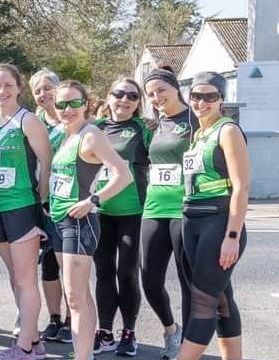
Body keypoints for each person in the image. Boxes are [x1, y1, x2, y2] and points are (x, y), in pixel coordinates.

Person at [48, 80, 132, 359]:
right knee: (79, 294)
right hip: (59, 220)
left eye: (74, 103)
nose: (67, 109)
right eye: (61, 104)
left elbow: (123, 175)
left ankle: (83, 355)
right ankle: (85, 352)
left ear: (86, 104)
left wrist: (93, 200)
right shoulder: (64, 134)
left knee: (74, 297)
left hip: (80, 222)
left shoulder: (91, 135)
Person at [177, 71, 248, 360]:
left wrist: (232, 236)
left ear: (221, 99)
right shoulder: (198, 134)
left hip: (217, 223)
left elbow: (241, 187)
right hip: (192, 221)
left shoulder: (227, 131)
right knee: (221, 300)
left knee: (203, 302)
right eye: (196, 96)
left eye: (210, 96)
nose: (202, 102)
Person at [0, 63, 53, 360]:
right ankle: (33, 340)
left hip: (22, 207)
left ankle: (24, 348)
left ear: (19, 88)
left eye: (8, 85)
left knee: (25, 280)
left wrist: (41, 202)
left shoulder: (28, 120)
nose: (2, 91)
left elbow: (46, 164)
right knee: (15, 278)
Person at [93, 77, 151, 356]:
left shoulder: (144, 128)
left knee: (126, 274)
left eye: (132, 96)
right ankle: (105, 331)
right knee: (103, 273)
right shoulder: (95, 128)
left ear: (138, 102)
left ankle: (128, 332)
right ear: (109, 96)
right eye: (119, 94)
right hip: (100, 212)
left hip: (132, 213)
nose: (124, 100)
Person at [141, 66, 196, 359]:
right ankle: (171, 330)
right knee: (149, 279)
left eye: (161, 90)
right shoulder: (154, 124)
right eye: (150, 94)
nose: (156, 97)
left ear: (176, 88)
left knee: (188, 282)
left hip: (184, 209)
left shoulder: (194, 120)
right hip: (154, 208)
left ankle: (187, 346)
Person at [29, 68, 72, 344]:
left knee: (67, 265)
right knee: (47, 266)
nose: (43, 94)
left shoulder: (71, 119)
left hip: (66, 201)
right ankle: (54, 318)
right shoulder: (33, 121)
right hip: (39, 201)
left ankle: (71, 319)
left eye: (48, 88)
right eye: (37, 91)